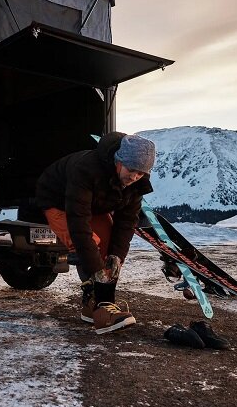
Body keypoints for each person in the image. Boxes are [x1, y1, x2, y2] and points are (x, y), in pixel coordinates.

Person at [35, 132, 155, 334]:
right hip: (58, 201)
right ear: (119, 161)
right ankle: (102, 307)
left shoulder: (136, 185)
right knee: (89, 242)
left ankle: (94, 307)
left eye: (141, 173)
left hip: (92, 207)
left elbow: (126, 223)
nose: (134, 177)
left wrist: (117, 257)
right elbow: (79, 225)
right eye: (131, 170)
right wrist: (96, 270)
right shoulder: (87, 169)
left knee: (109, 250)